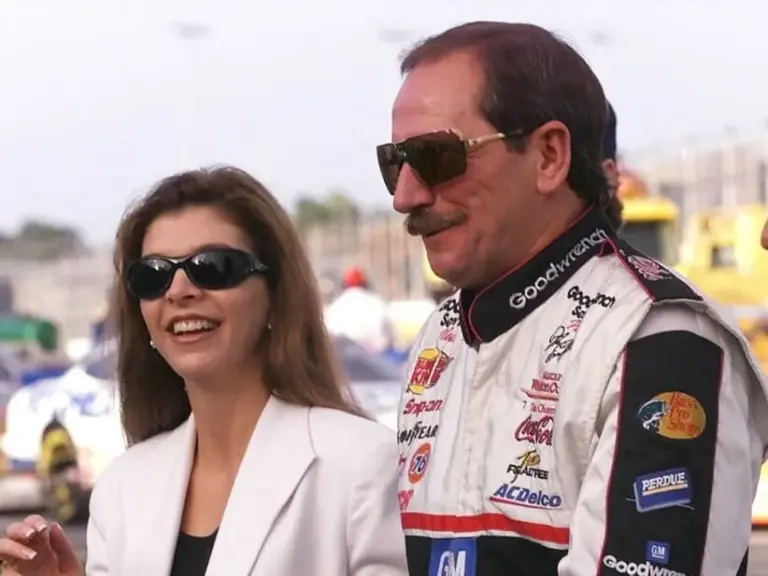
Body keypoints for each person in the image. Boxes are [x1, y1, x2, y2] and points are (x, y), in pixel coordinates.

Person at [377, 21, 768, 576]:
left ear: (548, 157)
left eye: (436, 156)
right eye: (395, 162)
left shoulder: (661, 341)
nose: (405, 195)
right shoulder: (440, 338)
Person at [0, 167, 408, 575]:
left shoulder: (362, 465)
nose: (179, 291)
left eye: (213, 266)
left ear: (274, 294)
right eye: (153, 275)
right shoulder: (122, 488)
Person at [324, 266, 395, 354]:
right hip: (375, 359)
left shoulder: (334, 307)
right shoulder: (377, 303)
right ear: (365, 284)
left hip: (343, 359)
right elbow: (390, 335)